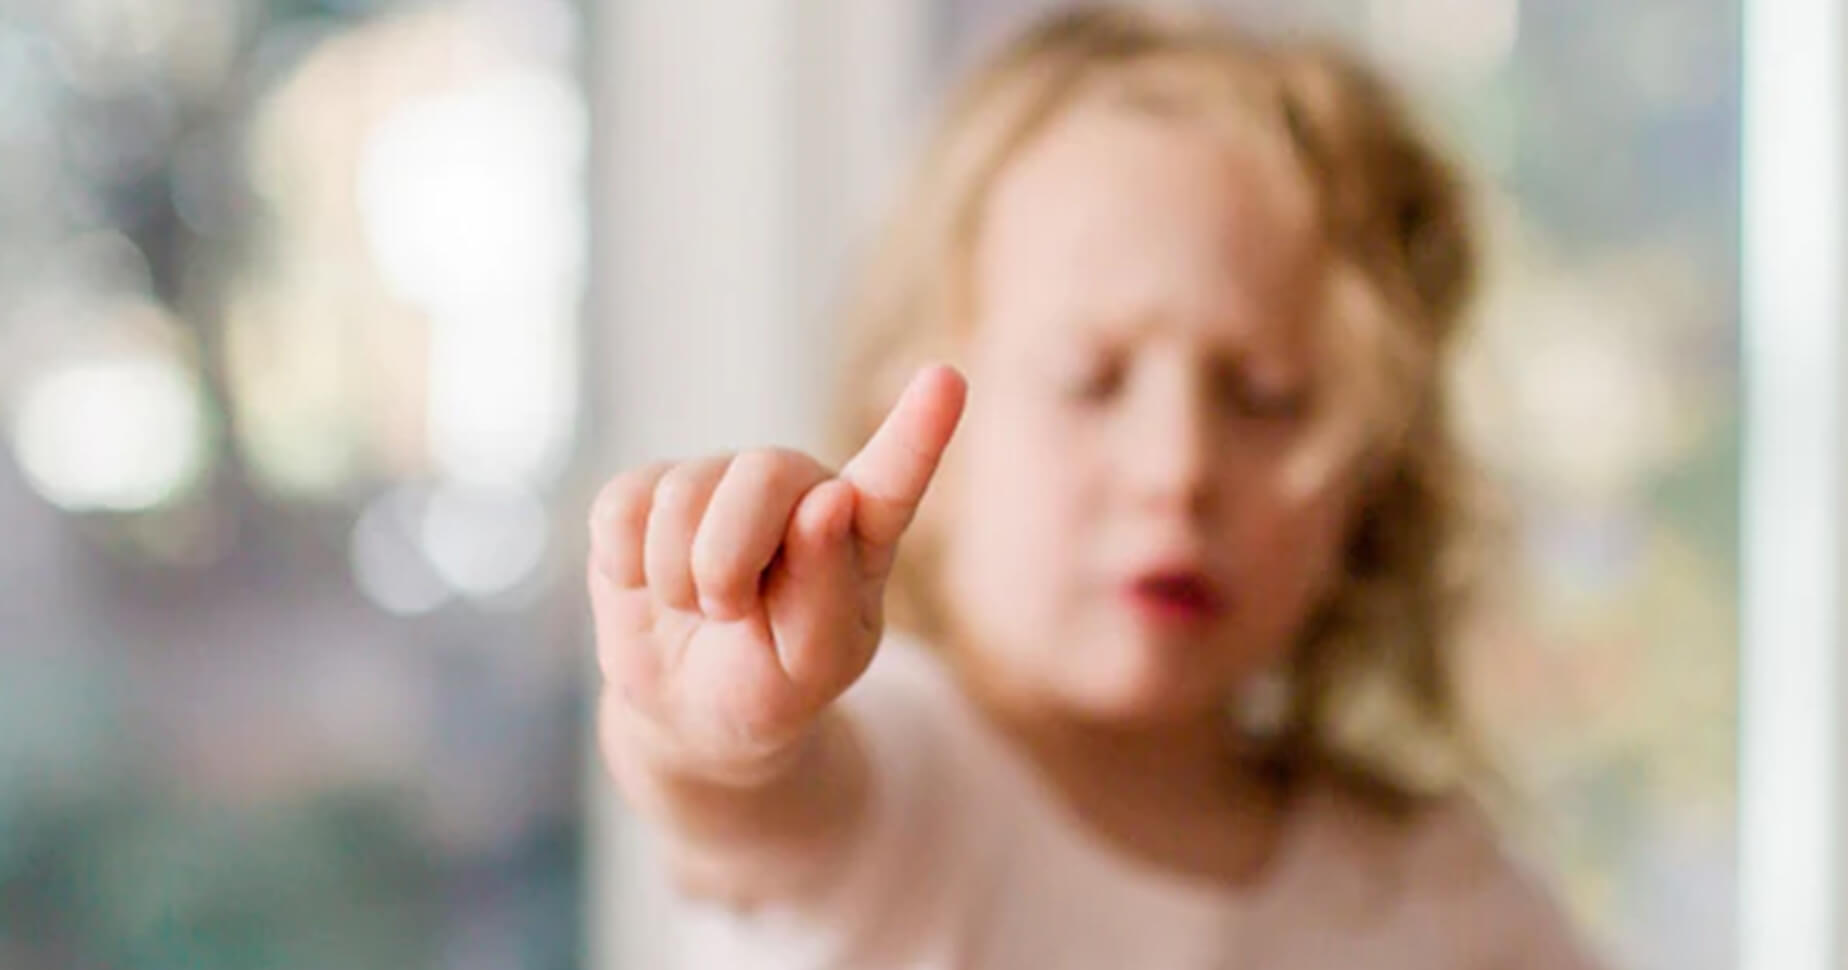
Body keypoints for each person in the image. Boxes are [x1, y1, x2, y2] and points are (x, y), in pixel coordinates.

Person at [586, 5, 1604, 967]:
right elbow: (750, 815)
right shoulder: (898, 776)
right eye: (1089, 381)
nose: (1178, 470)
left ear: (1375, 481)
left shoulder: (1443, 887)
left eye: (1267, 396)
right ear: (908, 425)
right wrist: (716, 736)